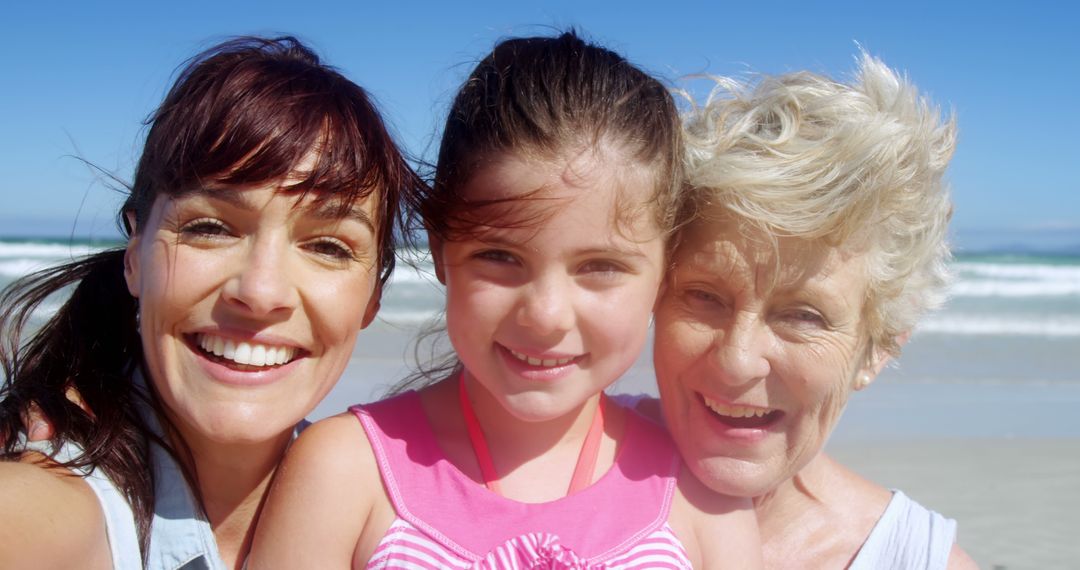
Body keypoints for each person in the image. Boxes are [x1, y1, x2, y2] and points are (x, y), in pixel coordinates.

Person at [250, 31, 762, 569]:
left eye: (601, 267)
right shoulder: (347, 471)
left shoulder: (701, 492)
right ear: (441, 249)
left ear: (664, 274)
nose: (544, 316)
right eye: (500, 256)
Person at [0, 36, 422, 569]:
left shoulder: (398, 519)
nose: (261, 291)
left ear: (371, 298)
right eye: (210, 228)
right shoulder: (45, 505)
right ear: (134, 258)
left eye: (327, 245)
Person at [652, 53, 977, 568]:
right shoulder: (533, 479)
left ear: (879, 347)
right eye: (705, 296)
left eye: (803, 316)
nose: (737, 361)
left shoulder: (916, 559)